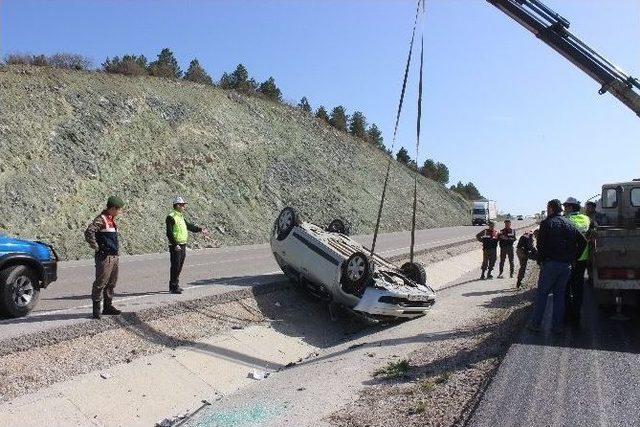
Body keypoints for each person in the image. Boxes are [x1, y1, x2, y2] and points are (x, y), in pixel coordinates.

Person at [528, 199, 587, 334]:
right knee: (559, 296)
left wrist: (540, 261)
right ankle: (557, 327)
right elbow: (583, 242)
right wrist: (574, 258)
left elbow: (540, 245)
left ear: (550, 209)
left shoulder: (546, 223)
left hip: (550, 264)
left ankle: (536, 324)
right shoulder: (570, 223)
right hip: (566, 266)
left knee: (542, 294)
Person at [85, 196, 125, 319]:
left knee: (111, 283)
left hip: (114, 256)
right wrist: (96, 246)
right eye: (119, 209)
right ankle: (96, 310)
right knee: (100, 283)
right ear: (113, 208)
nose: (120, 212)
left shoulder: (111, 220)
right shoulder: (101, 219)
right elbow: (89, 232)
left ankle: (108, 307)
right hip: (105, 257)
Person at [166, 196, 209, 294]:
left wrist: (200, 230)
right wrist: (175, 244)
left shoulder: (180, 216)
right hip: (175, 245)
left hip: (183, 244)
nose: (184, 207)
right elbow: (169, 233)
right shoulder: (171, 217)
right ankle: (173, 286)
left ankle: (175, 284)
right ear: (177, 205)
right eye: (182, 205)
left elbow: (189, 226)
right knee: (175, 266)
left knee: (180, 266)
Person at [563, 197, 591, 322]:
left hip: (570, 259)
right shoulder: (586, 219)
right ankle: (577, 314)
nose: (564, 209)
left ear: (570, 207)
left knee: (566, 286)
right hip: (583, 258)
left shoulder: (567, 220)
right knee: (578, 287)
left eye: (566, 206)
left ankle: (568, 313)